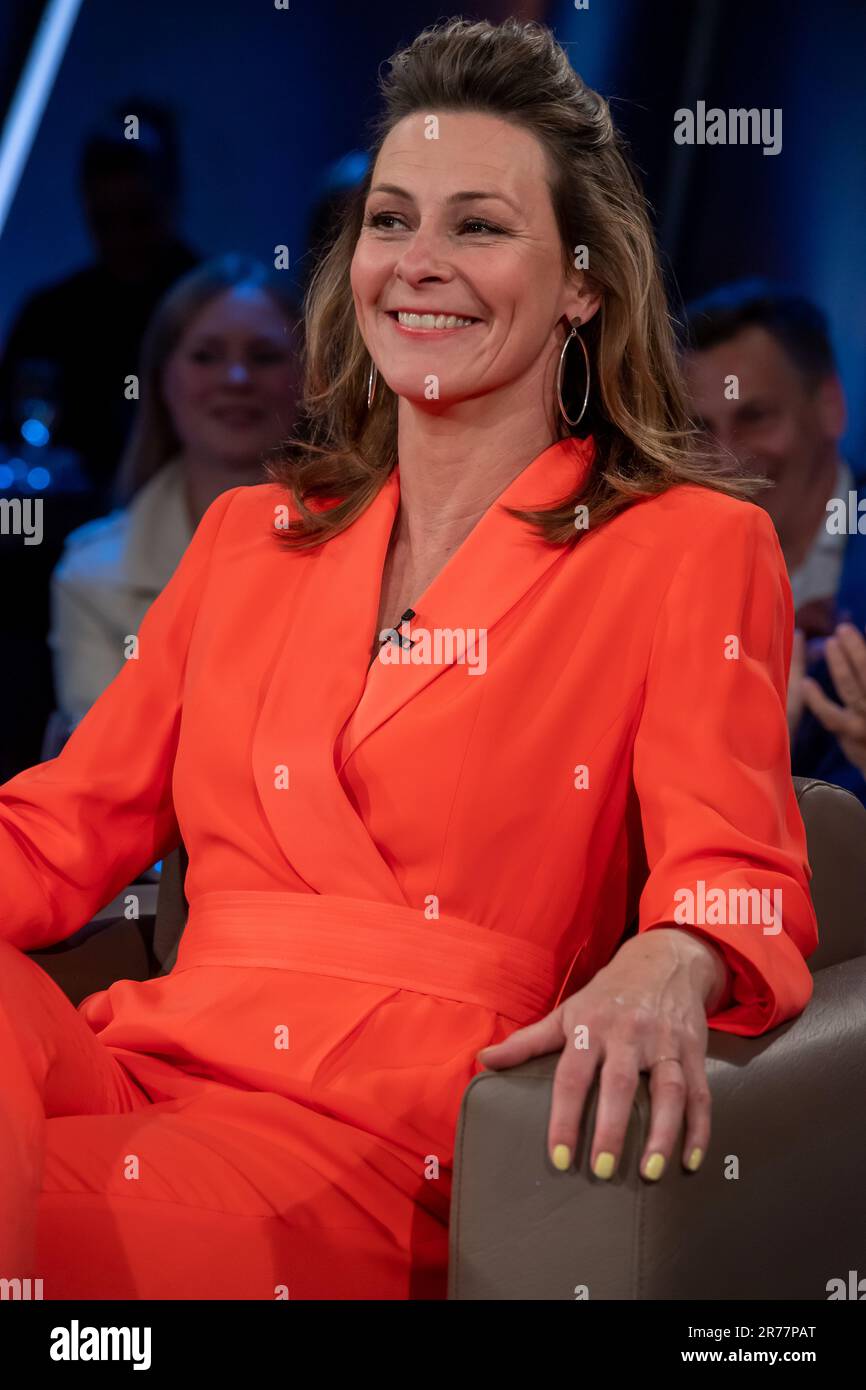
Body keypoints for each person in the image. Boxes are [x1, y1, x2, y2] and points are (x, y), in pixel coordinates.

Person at [0, 19, 817, 1301]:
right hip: (150, 1058)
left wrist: (678, 950)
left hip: (382, 1137)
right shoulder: (246, 534)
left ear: (583, 281)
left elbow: (737, 869)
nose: (417, 264)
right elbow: (56, 834)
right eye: (391, 221)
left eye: (478, 227)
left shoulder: (688, 548)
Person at [46, 254, 302, 736]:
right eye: (206, 355)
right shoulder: (92, 574)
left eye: (264, 356)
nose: (236, 379)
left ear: (309, 380)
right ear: (163, 380)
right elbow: (108, 769)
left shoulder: (376, 544)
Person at [684, 280, 866, 805]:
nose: (727, 459)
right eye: (700, 429)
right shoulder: (668, 576)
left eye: (754, 417)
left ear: (830, 405)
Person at [0, 104, 199, 501]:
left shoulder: (215, 310)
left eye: (139, 217)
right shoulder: (50, 314)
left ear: (171, 200)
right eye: (106, 220)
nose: (124, 238)